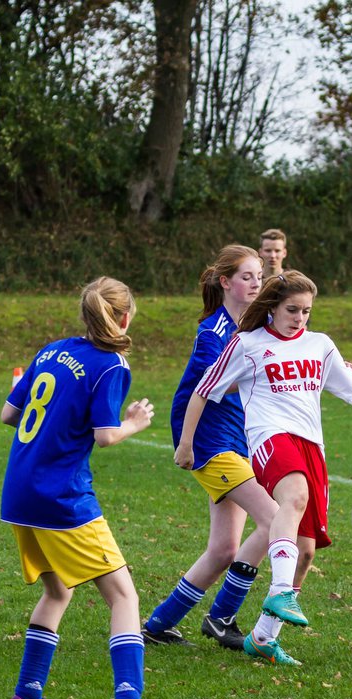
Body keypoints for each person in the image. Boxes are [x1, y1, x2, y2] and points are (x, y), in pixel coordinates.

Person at [174, 271, 352, 664]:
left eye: (306, 311)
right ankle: (280, 591)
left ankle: (263, 638)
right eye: (292, 310)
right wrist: (186, 444)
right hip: (270, 440)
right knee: (294, 496)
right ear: (272, 307)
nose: (300, 317)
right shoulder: (247, 343)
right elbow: (203, 391)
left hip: (311, 447)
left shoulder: (320, 345)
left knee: (306, 552)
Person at [0, 277, 181, 699]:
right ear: (123, 317)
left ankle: (26, 695)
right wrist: (135, 423)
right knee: (124, 595)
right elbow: (105, 435)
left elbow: (8, 414)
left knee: (58, 590)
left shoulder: (52, 349)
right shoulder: (111, 366)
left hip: (19, 491)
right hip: (61, 497)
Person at [142, 245, 278, 650]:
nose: (256, 283)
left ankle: (158, 624)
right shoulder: (213, 333)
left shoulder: (255, 326)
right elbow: (209, 388)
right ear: (226, 283)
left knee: (223, 549)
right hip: (209, 442)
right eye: (247, 277)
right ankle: (221, 619)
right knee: (274, 521)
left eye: (259, 276)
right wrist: (185, 444)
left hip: (237, 441)